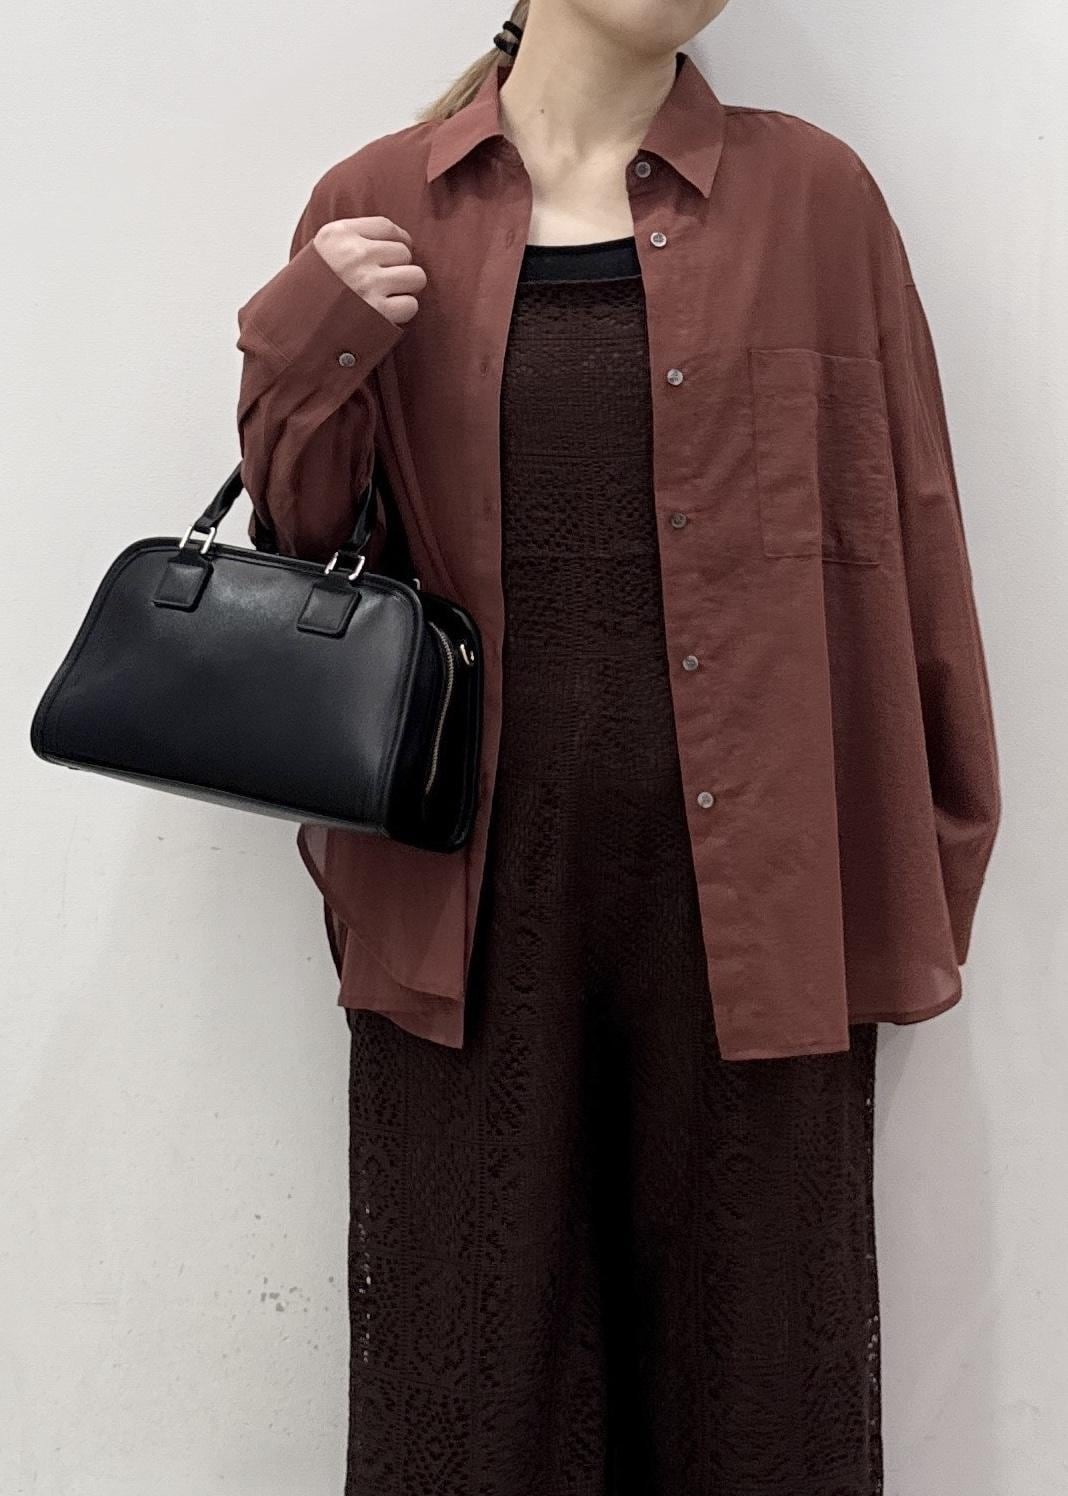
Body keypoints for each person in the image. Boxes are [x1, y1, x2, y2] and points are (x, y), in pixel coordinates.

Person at [234, 2, 1001, 1491]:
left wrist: (932, 861)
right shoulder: (379, 201)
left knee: (759, 1396)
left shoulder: (816, 201)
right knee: (468, 1396)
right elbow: (309, 549)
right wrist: (311, 331)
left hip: (756, 928)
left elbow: (906, 539)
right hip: (466, 928)